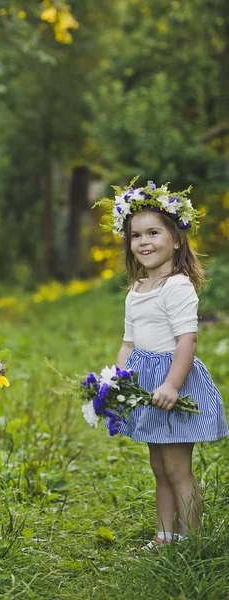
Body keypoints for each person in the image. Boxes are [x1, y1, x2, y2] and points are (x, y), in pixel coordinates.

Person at [96, 179, 228, 548]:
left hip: (173, 381)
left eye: (153, 232)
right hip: (145, 385)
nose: (144, 242)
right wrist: (117, 379)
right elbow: (128, 343)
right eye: (136, 235)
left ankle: (192, 540)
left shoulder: (177, 286)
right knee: (159, 466)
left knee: (177, 468)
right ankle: (166, 535)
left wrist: (171, 384)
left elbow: (188, 340)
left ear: (176, 238)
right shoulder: (136, 290)